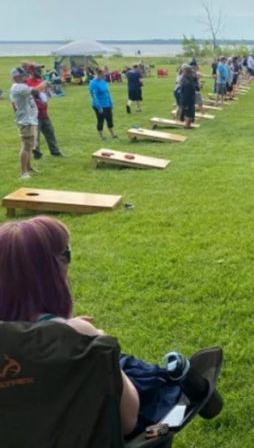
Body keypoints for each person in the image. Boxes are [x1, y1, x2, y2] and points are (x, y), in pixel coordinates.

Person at [0, 216, 140, 435]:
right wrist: (98, 341)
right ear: (53, 268)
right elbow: (127, 420)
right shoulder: (80, 336)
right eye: (66, 253)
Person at [9, 67, 41, 179]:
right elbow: (36, 91)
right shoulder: (19, 87)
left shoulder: (18, 87)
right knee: (26, 146)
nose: (25, 76)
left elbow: (13, 105)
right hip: (26, 121)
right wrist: (46, 82)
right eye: (22, 75)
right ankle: (23, 173)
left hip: (29, 119)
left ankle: (29, 167)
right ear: (16, 77)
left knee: (29, 145)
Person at [25, 64, 63, 158]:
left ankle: (55, 152)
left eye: (40, 69)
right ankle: (37, 154)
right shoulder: (27, 83)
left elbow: (45, 94)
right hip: (34, 114)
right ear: (31, 72)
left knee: (50, 132)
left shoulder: (41, 81)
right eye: (37, 70)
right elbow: (33, 93)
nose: (40, 72)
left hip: (44, 112)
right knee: (35, 135)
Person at [89, 67, 118, 140]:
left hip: (107, 103)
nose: (104, 76)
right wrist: (99, 107)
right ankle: (102, 136)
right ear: (98, 75)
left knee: (109, 119)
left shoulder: (103, 81)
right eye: (103, 75)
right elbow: (94, 96)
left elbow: (107, 92)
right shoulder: (93, 83)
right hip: (99, 104)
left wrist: (111, 102)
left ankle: (113, 134)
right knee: (100, 119)